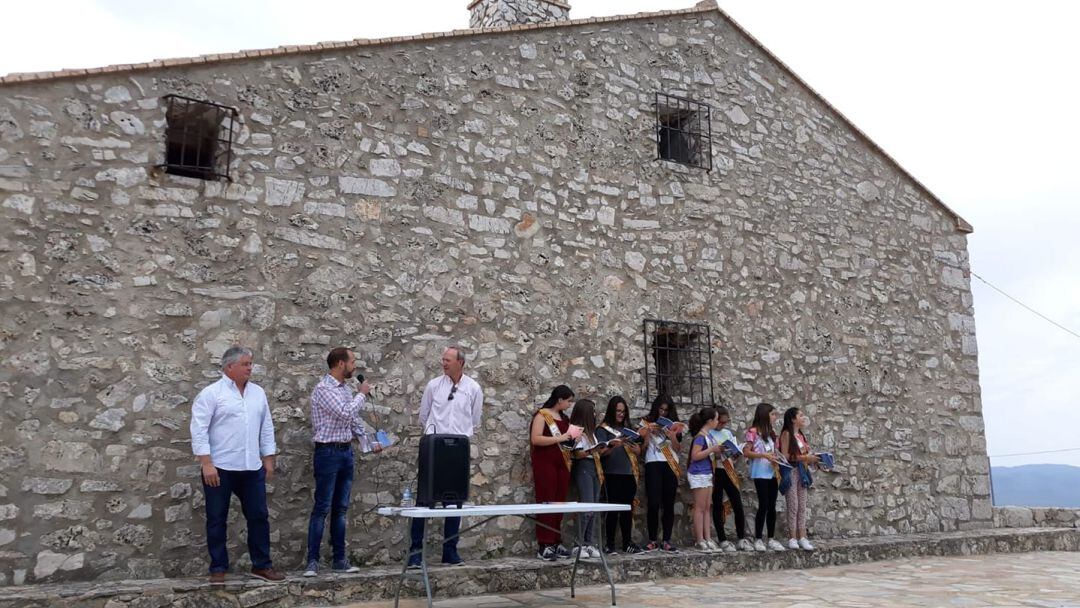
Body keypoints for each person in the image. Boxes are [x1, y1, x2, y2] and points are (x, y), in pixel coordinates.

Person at [190, 346, 284, 584]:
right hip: (219, 467)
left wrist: (268, 458)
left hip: (251, 467)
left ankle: (261, 565)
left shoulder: (258, 393)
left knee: (259, 516)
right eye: (245, 364)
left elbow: (266, 426)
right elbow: (199, 429)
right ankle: (218, 568)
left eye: (250, 364)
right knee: (217, 517)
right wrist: (206, 463)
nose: (250, 368)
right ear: (229, 367)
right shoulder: (212, 394)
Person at [304, 347, 383, 577]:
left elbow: (353, 421)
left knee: (341, 509)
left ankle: (339, 559)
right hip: (327, 454)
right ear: (340, 364)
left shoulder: (345, 390)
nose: (354, 366)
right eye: (352, 361)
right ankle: (312, 561)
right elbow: (344, 413)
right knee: (322, 508)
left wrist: (370, 442)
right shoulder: (324, 389)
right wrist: (362, 393)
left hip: (345, 453)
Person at [407, 345, 483, 569]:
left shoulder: (473, 388)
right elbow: (424, 415)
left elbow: (475, 419)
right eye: (443, 359)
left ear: (461, 363)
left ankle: (450, 550)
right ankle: (415, 552)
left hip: (458, 449)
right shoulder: (434, 385)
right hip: (434, 446)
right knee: (424, 500)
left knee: (454, 501)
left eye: (448, 359)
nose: (444, 363)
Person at [530, 385, 576, 561]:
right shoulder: (543, 415)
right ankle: (544, 543)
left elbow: (565, 441)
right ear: (560, 400)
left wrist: (573, 438)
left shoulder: (564, 418)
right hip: (545, 462)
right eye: (568, 401)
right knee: (546, 500)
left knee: (559, 501)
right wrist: (561, 438)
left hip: (562, 462)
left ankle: (556, 540)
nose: (570, 404)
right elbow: (536, 438)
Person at [569, 398, 618, 559]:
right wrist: (592, 451)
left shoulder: (592, 433)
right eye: (593, 412)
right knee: (586, 505)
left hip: (595, 468)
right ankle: (579, 543)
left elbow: (595, 451)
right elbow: (576, 453)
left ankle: (590, 543)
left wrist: (608, 447)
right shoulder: (576, 430)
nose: (596, 414)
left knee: (595, 506)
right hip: (584, 467)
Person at [596, 396, 644, 555]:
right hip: (611, 473)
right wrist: (614, 445)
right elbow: (600, 452)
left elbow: (637, 450)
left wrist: (638, 450)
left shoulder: (628, 428)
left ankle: (627, 542)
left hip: (628, 473)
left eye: (623, 411)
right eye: (618, 411)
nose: (621, 414)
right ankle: (609, 544)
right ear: (611, 411)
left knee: (627, 509)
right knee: (612, 509)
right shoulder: (603, 429)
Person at [641, 395, 684, 552]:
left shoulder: (675, 426)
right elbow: (643, 448)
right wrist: (647, 434)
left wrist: (671, 436)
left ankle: (666, 540)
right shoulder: (646, 422)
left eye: (666, 410)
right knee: (653, 502)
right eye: (661, 409)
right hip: (653, 462)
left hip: (670, 464)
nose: (663, 413)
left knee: (668, 503)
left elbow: (679, 449)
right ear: (656, 408)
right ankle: (652, 540)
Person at [743, 402, 785, 552]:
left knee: (772, 506)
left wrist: (779, 459)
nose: (775, 417)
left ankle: (771, 538)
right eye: (773, 414)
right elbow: (746, 452)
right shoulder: (753, 432)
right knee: (763, 504)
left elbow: (775, 451)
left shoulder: (772, 433)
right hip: (760, 472)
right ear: (764, 415)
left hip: (772, 471)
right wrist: (763, 455)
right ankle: (758, 538)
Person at [711, 406, 752, 552]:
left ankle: (741, 538)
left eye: (725, 422)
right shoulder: (708, 433)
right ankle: (722, 539)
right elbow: (709, 454)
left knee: (737, 503)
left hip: (729, 469)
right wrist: (717, 452)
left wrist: (736, 453)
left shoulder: (727, 433)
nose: (723, 425)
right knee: (717, 505)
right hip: (717, 471)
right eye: (720, 422)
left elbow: (734, 453)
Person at [779, 406, 820, 551]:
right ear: (792, 419)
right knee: (793, 505)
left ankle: (802, 537)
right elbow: (785, 456)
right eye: (800, 415)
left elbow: (805, 453)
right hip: (791, 472)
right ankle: (792, 537)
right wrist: (805, 457)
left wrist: (814, 458)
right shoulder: (786, 434)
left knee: (802, 505)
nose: (803, 417)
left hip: (802, 471)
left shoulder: (801, 436)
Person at [686, 407, 721, 552]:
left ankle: (708, 538)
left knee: (707, 507)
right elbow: (695, 455)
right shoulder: (700, 437)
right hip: (698, 473)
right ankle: (699, 539)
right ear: (709, 421)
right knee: (699, 508)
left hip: (707, 472)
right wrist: (711, 450)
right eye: (716, 419)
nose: (718, 422)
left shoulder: (709, 436)